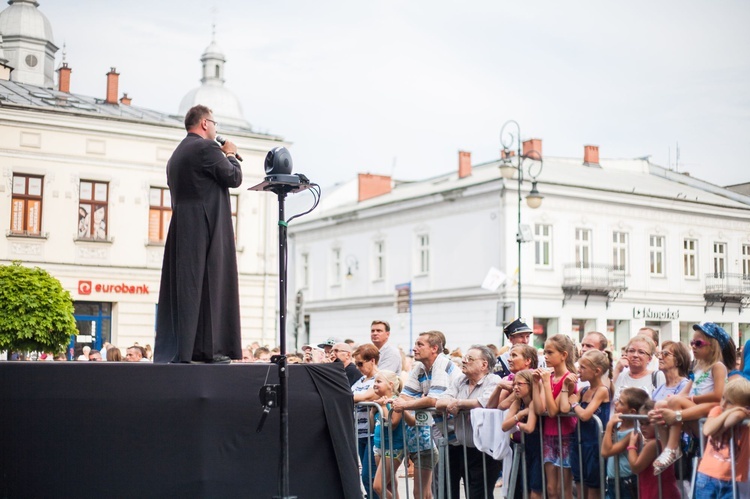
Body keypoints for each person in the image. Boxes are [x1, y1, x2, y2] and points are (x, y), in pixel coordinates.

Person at [154, 104, 242, 364]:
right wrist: (231, 154)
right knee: (212, 285)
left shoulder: (176, 155)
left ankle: (185, 349)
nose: (216, 128)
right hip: (207, 224)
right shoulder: (206, 148)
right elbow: (233, 178)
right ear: (205, 123)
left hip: (183, 226)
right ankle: (210, 349)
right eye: (214, 122)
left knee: (189, 288)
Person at [651, 322, 734, 474]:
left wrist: (692, 399)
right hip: (697, 411)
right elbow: (684, 392)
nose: (693, 347)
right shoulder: (697, 368)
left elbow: (718, 394)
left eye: (698, 343)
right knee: (661, 404)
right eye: (692, 343)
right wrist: (669, 401)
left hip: (711, 410)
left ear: (712, 346)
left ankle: (673, 447)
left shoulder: (717, 367)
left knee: (674, 402)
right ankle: (667, 447)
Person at [435, 345, 502, 499]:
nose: (464, 361)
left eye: (470, 359)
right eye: (464, 358)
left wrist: (458, 403)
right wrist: (455, 403)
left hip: (485, 450)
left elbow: (484, 402)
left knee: (479, 494)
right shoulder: (460, 380)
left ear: (484, 365)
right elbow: (439, 402)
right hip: (463, 447)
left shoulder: (493, 380)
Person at [561, 350, 611, 499]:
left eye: (583, 367)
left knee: (594, 486)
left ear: (597, 371)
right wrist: (565, 386)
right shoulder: (583, 390)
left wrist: (574, 403)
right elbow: (564, 407)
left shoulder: (602, 390)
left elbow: (584, 415)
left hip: (594, 443)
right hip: (579, 442)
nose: (578, 370)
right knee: (580, 481)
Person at [534, 333, 578, 499]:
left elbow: (553, 411)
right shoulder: (550, 377)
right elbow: (540, 409)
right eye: (545, 352)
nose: (545, 356)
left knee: (564, 489)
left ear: (564, 355)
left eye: (550, 352)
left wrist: (545, 383)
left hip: (566, 436)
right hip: (548, 436)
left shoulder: (569, 379)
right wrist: (537, 384)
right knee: (551, 489)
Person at [694, 377, 750, 498]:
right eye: (723, 397)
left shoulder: (745, 417)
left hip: (731, 479)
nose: (723, 403)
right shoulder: (717, 410)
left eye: (730, 402)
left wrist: (736, 411)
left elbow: (733, 419)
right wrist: (732, 410)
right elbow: (707, 430)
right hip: (708, 476)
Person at [501, 369, 543, 499]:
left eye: (520, 384)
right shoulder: (518, 402)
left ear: (530, 385)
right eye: (514, 384)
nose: (515, 387)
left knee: (535, 489)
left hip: (538, 448)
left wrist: (516, 424)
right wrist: (518, 416)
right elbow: (504, 426)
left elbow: (529, 427)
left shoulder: (532, 403)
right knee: (522, 486)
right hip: (524, 449)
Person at [601, 387, 649, 499]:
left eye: (621, 403)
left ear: (632, 412)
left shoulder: (633, 433)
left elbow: (606, 451)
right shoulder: (618, 426)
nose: (616, 404)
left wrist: (608, 427)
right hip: (614, 479)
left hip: (626, 482)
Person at [626, 400, 680, 499]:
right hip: (659, 491)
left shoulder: (654, 444)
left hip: (657, 492)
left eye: (647, 423)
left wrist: (631, 445)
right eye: (641, 423)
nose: (643, 427)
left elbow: (635, 467)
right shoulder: (657, 441)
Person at [352, 344, 381, 499]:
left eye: (360, 364)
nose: (358, 368)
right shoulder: (360, 380)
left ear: (372, 361)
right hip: (360, 433)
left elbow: (368, 397)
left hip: (373, 434)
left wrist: (349, 398)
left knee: (369, 476)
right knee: (367, 477)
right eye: (356, 364)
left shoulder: (380, 378)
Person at [371, 370, 404, 499]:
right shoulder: (377, 402)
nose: (375, 384)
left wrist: (383, 407)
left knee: (378, 486)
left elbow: (393, 423)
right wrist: (373, 411)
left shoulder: (396, 401)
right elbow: (372, 426)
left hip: (393, 448)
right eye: (374, 381)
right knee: (389, 486)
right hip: (379, 446)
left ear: (390, 384)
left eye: (378, 381)